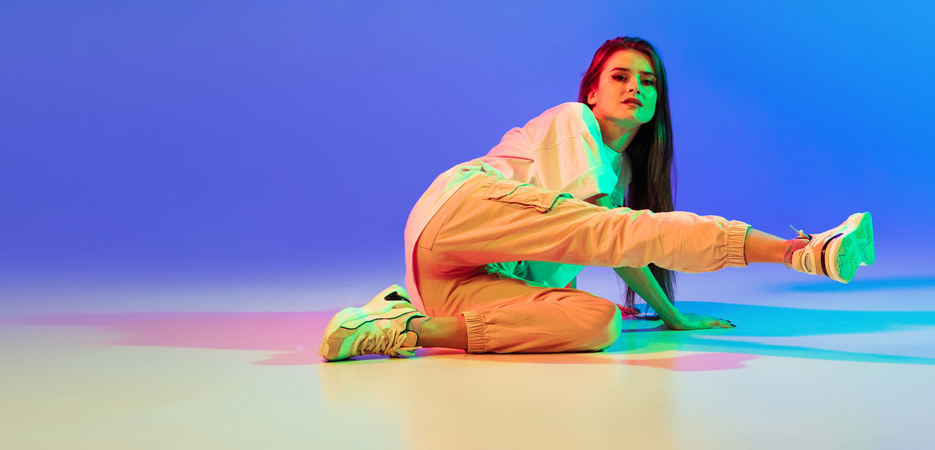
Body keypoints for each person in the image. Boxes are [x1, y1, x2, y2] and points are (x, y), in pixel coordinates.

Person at [318, 37, 874, 360]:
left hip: (443, 282)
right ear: (592, 90)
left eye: (650, 81)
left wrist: (669, 315)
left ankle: (397, 325)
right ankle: (803, 252)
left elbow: (608, 238)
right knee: (613, 232)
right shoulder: (574, 122)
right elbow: (611, 238)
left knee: (597, 323)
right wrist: (671, 313)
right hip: (458, 212)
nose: (637, 87)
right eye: (621, 76)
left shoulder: (619, 170)